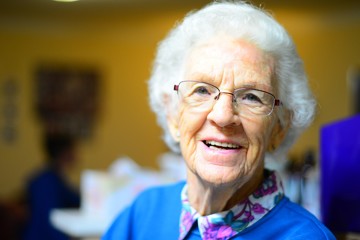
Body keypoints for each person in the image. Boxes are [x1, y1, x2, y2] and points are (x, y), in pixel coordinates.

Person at [102, 1, 335, 239]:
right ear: (172, 114)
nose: (222, 116)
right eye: (202, 90)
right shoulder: (144, 212)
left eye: (251, 97)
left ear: (279, 128)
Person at [23, 133, 80, 240]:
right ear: (64, 153)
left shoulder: (56, 179)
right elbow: (48, 221)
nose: (77, 155)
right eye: (73, 150)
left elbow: (76, 198)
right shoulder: (46, 182)